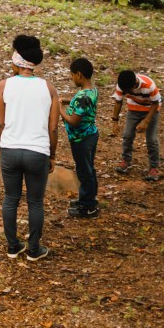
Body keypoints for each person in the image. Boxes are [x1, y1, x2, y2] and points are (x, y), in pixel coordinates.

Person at [0, 34, 59, 261]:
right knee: (35, 201)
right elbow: (53, 128)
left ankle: (13, 246)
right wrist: (52, 155)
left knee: (10, 198)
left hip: (10, 150)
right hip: (37, 152)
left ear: (17, 61)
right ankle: (34, 249)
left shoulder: (4, 85)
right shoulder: (49, 88)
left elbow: (0, 123)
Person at [61, 57, 99, 218]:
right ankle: (87, 198)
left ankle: (88, 207)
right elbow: (83, 104)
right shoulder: (91, 91)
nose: (71, 78)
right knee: (88, 169)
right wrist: (68, 101)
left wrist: (59, 108)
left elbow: (74, 121)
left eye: (72, 75)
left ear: (79, 74)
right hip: (90, 135)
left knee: (84, 172)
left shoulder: (83, 96)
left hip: (81, 139)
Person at [111, 69, 162, 181]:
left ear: (134, 85)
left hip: (151, 109)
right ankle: (126, 161)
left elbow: (155, 103)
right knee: (127, 135)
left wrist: (146, 121)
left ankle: (154, 167)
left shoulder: (149, 86)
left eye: (128, 90)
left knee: (152, 139)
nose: (126, 92)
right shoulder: (121, 85)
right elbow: (118, 102)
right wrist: (115, 121)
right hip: (133, 109)